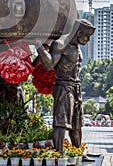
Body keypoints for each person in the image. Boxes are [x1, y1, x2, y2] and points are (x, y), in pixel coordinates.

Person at [36, 19, 95, 154]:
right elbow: (49, 64)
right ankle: (59, 154)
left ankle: (78, 152)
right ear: (79, 32)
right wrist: (38, 44)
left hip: (76, 87)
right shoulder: (60, 45)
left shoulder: (77, 48)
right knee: (61, 122)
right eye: (87, 36)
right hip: (63, 86)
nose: (88, 40)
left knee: (77, 125)